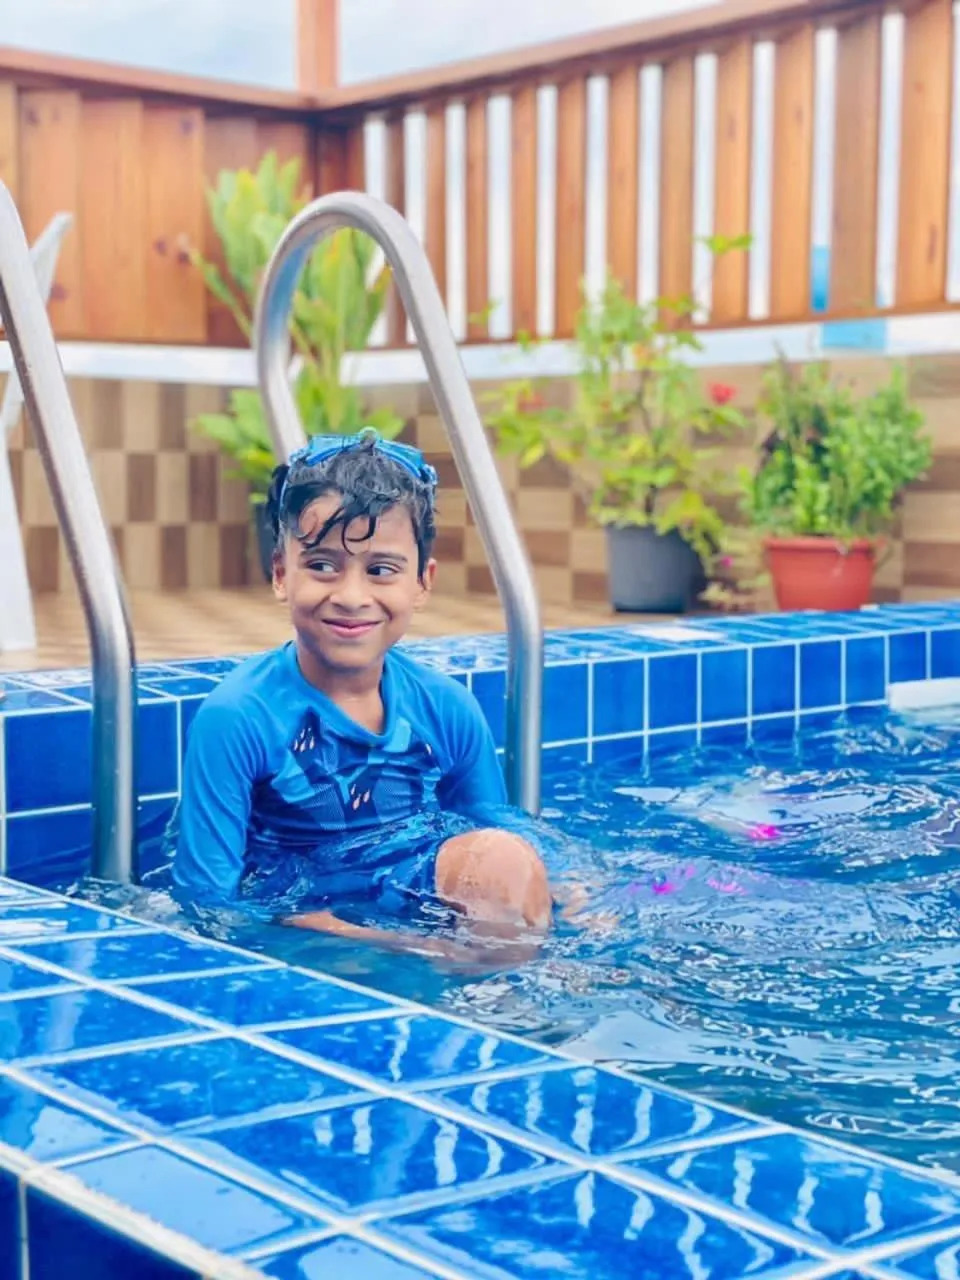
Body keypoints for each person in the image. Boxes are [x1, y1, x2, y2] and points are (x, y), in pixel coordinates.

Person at [172, 429, 553, 956]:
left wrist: (564, 898)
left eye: (381, 570)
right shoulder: (240, 717)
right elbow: (207, 902)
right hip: (302, 919)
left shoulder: (446, 709)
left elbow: (497, 832)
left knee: (504, 862)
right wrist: (375, 941)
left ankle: (499, 1004)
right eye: (322, 565)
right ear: (282, 573)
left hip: (406, 893)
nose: (352, 597)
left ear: (422, 582)